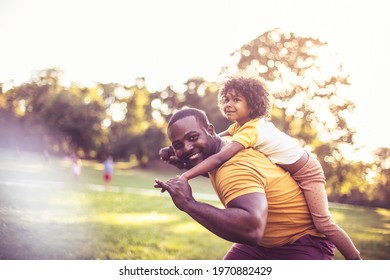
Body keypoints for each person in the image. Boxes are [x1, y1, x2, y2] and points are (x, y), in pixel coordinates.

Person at [162, 77, 361, 260]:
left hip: (303, 231)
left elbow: (221, 161)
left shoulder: (247, 136)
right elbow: (216, 152)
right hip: (262, 245)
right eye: (227, 100)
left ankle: (356, 260)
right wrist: (180, 157)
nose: (229, 105)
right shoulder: (236, 131)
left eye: (193, 137)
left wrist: (186, 188)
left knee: (324, 223)